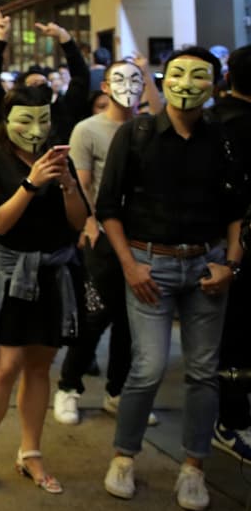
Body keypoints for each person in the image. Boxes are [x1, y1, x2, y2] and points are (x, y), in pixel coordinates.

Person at [99, 47, 245, 510]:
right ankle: (124, 456)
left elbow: (238, 210)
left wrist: (231, 264)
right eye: (176, 73)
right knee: (147, 367)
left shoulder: (222, 139)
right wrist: (130, 265)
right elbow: (109, 209)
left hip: (206, 267)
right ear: (162, 81)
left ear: (214, 84)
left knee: (203, 372)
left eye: (198, 76)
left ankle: (193, 467)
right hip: (149, 266)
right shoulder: (136, 134)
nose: (186, 83)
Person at [0, 84, 88, 497]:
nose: (36, 128)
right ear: (6, 122)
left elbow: (76, 222)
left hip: (54, 272)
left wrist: (68, 184)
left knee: (39, 365)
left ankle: (30, 452)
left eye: (44, 119)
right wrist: (31, 184)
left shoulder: (57, 161)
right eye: (26, 119)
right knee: (5, 364)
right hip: (11, 275)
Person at [53, 58, 159, 427]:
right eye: (121, 79)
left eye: (137, 80)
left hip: (143, 239)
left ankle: (117, 392)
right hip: (102, 238)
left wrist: (151, 80)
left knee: (133, 322)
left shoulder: (149, 127)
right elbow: (83, 181)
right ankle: (68, 386)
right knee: (95, 316)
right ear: (105, 86)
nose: (129, 87)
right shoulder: (89, 129)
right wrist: (89, 223)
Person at [212, 44, 251, 462]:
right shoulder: (226, 125)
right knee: (236, 336)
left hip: (217, 247)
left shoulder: (209, 122)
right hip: (229, 249)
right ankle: (231, 418)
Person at [0, 8, 89, 145]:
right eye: (33, 84)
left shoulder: (61, 113)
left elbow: (81, 78)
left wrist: (65, 38)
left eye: (43, 83)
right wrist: (0, 40)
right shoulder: (7, 111)